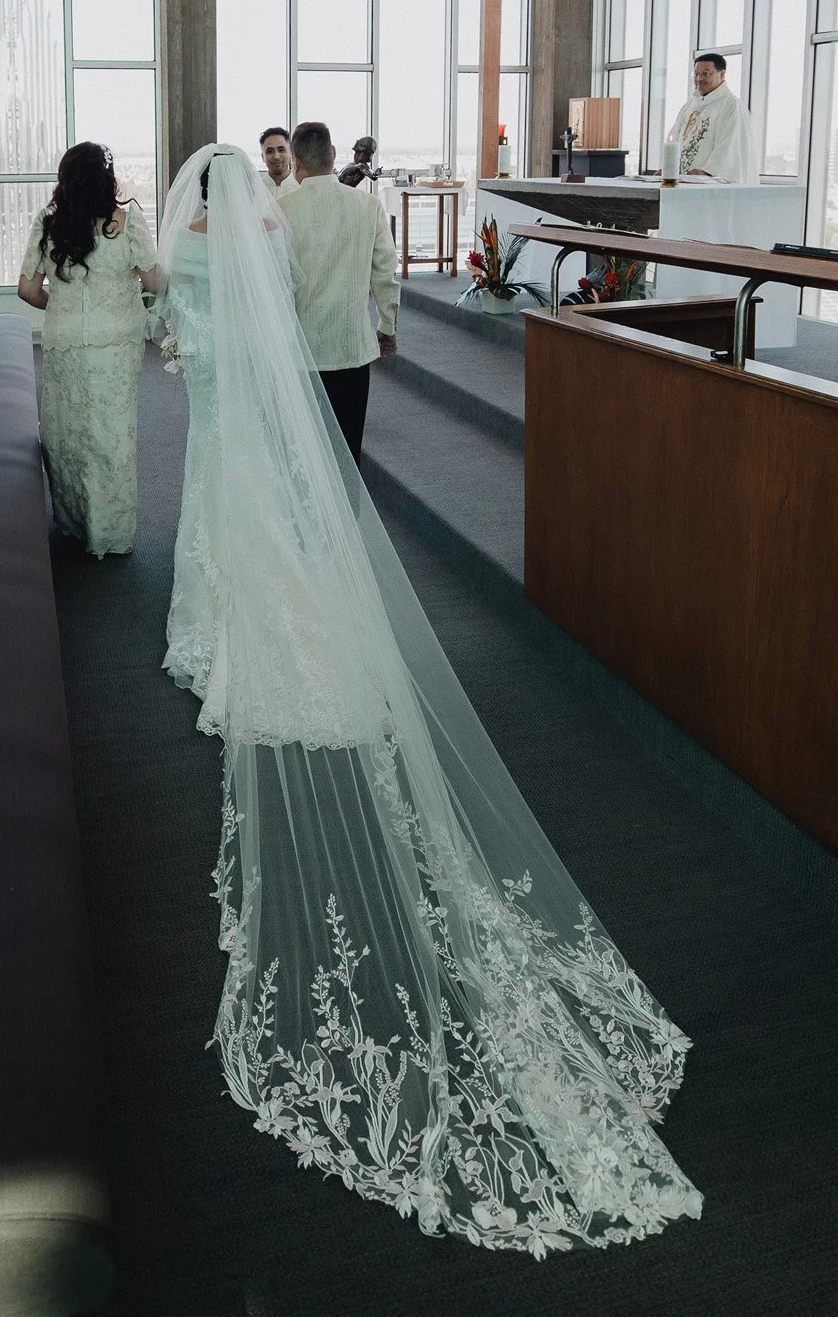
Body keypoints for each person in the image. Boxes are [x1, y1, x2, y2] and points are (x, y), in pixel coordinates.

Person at [155, 143, 701, 1254]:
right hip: (273, 384)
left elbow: (178, 324)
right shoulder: (263, 231)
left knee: (216, 504)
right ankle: (255, 623)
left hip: (212, 391)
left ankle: (217, 630)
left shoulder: (183, 244)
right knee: (262, 509)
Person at [17, 141, 158, 558]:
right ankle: (110, 534)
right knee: (111, 433)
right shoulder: (128, 220)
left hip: (63, 341)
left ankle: (75, 524)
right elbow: (153, 283)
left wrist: (59, 306)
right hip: (116, 343)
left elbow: (27, 289)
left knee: (67, 432)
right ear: (108, 178)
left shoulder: (48, 222)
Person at [276, 121, 398, 465]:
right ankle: (350, 518)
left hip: (302, 352)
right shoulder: (368, 206)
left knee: (304, 457)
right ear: (332, 155)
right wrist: (387, 326)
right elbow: (386, 274)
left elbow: (279, 282)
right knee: (348, 454)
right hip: (351, 349)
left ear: (295, 162)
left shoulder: (282, 211)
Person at [666, 53, 759, 182]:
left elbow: (730, 145)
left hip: (710, 184)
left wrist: (708, 170)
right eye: (696, 74)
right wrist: (668, 169)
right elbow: (674, 140)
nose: (699, 79)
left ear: (722, 74)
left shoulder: (731, 105)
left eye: (705, 73)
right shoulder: (689, 106)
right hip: (683, 182)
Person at [257, 125, 298, 199]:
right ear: (263, 157)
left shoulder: (299, 186)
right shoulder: (256, 189)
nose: (276, 156)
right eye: (270, 151)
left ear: (291, 153)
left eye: (281, 150)